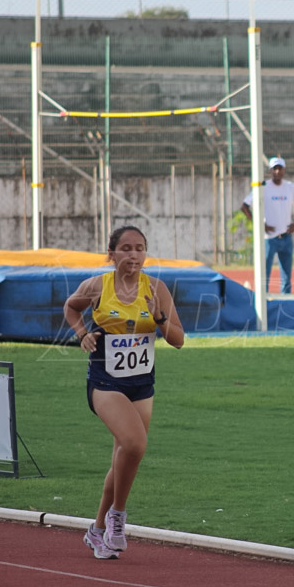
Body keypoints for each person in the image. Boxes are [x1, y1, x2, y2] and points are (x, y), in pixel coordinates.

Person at [63, 225, 185, 560]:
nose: (134, 255)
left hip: (142, 384)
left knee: (124, 458)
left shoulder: (156, 288)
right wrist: (82, 333)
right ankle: (118, 517)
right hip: (105, 382)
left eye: (140, 248)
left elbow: (178, 339)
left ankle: (97, 529)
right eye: (126, 248)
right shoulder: (98, 286)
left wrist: (159, 317)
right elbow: (71, 307)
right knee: (135, 444)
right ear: (112, 252)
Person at [240, 156, 294, 294]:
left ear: (284, 170)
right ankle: (264, 303)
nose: (277, 171)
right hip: (269, 239)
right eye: (274, 168)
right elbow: (245, 206)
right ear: (270, 171)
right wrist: (259, 225)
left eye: (280, 168)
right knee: (264, 275)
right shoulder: (263, 187)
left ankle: (285, 304)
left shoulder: (290, 187)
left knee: (286, 277)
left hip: (286, 237)